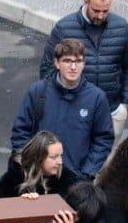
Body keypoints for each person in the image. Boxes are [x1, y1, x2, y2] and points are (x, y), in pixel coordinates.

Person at [40, 0, 128, 137]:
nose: (100, 16)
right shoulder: (64, 28)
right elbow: (48, 69)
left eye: (105, 11)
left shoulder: (122, 27)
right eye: (96, 10)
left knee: (108, 160)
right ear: (86, 2)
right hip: (74, 109)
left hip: (112, 110)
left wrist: (125, 103)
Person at [11, 39, 112, 179]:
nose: (73, 66)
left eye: (78, 61)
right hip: (38, 177)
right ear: (57, 63)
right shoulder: (38, 91)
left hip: (75, 180)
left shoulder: (96, 98)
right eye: (67, 61)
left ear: (84, 64)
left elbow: (103, 139)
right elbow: (21, 131)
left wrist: (86, 173)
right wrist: (28, 166)